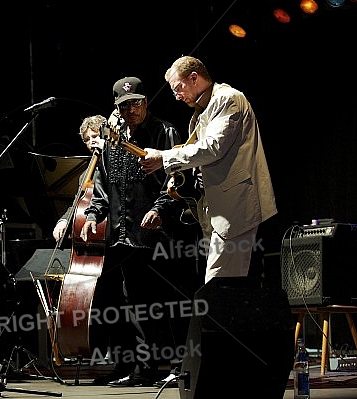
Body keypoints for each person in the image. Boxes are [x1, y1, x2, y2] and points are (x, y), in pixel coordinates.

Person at [80, 77, 196, 387]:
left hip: (161, 234)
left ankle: (177, 366)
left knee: (169, 301)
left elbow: (177, 179)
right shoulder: (113, 141)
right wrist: (93, 214)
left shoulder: (164, 131)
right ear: (116, 107)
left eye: (136, 103)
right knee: (134, 304)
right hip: (124, 233)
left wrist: (160, 209)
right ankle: (143, 368)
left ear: (145, 102)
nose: (131, 109)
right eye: (125, 105)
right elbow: (105, 185)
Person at [139, 55, 277, 284]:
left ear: (194, 78)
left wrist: (164, 157)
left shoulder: (228, 99)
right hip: (217, 210)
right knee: (225, 286)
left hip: (235, 207)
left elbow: (213, 147)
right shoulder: (201, 112)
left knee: (218, 284)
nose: (176, 96)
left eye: (179, 88)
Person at [52, 114, 106, 242]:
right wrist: (64, 220)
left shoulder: (117, 166)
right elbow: (78, 203)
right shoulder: (85, 175)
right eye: (87, 139)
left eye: (95, 136)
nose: (91, 141)